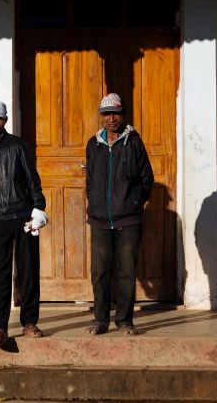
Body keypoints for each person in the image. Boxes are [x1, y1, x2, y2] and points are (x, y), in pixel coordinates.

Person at [0, 100, 48, 346]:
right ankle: (0, 327)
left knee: (28, 272)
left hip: (23, 216)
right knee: (0, 275)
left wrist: (38, 209)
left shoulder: (17, 145)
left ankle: (29, 322)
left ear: (5, 120)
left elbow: (31, 177)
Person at [84, 93, 154, 335]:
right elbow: (90, 179)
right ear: (102, 117)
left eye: (115, 113)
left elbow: (147, 178)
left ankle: (124, 320)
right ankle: (100, 320)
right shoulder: (93, 144)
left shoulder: (134, 141)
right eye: (107, 114)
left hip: (128, 218)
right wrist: (93, 203)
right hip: (100, 219)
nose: (111, 118)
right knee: (100, 273)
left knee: (126, 272)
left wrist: (136, 201)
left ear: (122, 114)